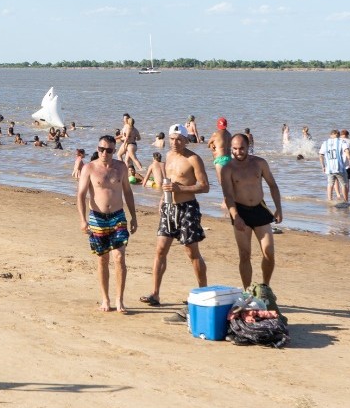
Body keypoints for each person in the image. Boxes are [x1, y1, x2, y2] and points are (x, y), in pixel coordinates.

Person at [140, 125, 208, 307]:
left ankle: (203, 293)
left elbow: (204, 186)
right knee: (160, 250)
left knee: (192, 252)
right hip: (169, 207)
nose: (175, 142)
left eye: (179, 139)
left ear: (186, 140)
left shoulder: (194, 159)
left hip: (188, 208)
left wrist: (181, 188)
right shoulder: (169, 156)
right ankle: (155, 294)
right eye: (172, 139)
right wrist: (163, 199)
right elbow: (168, 182)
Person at [76, 134, 137, 313]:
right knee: (102, 259)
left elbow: (128, 192)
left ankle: (119, 299)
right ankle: (105, 299)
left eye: (109, 150)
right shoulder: (89, 168)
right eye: (101, 149)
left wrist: (134, 216)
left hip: (118, 216)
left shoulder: (121, 167)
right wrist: (82, 219)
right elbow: (81, 195)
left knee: (119, 257)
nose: (105, 153)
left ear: (114, 150)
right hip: (97, 218)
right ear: (97, 149)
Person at [219, 133, 282, 288]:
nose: (238, 152)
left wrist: (278, 208)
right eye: (234, 149)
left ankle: (265, 286)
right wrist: (236, 216)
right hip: (240, 211)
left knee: (269, 252)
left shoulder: (260, 163)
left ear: (248, 147)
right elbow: (228, 195)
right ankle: (247, 290)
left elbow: (273, 185)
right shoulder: (227, 169)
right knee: (244, 254)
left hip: (260, 209)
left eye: (241, 148)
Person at [319, 129, 347, 203]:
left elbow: (321, 155)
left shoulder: (325, 143)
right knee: (343, 184)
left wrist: (323, 166)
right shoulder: (341, 141)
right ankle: (346, 201)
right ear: (338, 135)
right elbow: (347, 152)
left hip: (329, 169)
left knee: (330, 185)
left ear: (331, 135)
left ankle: (329, 200)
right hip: (339, 168)